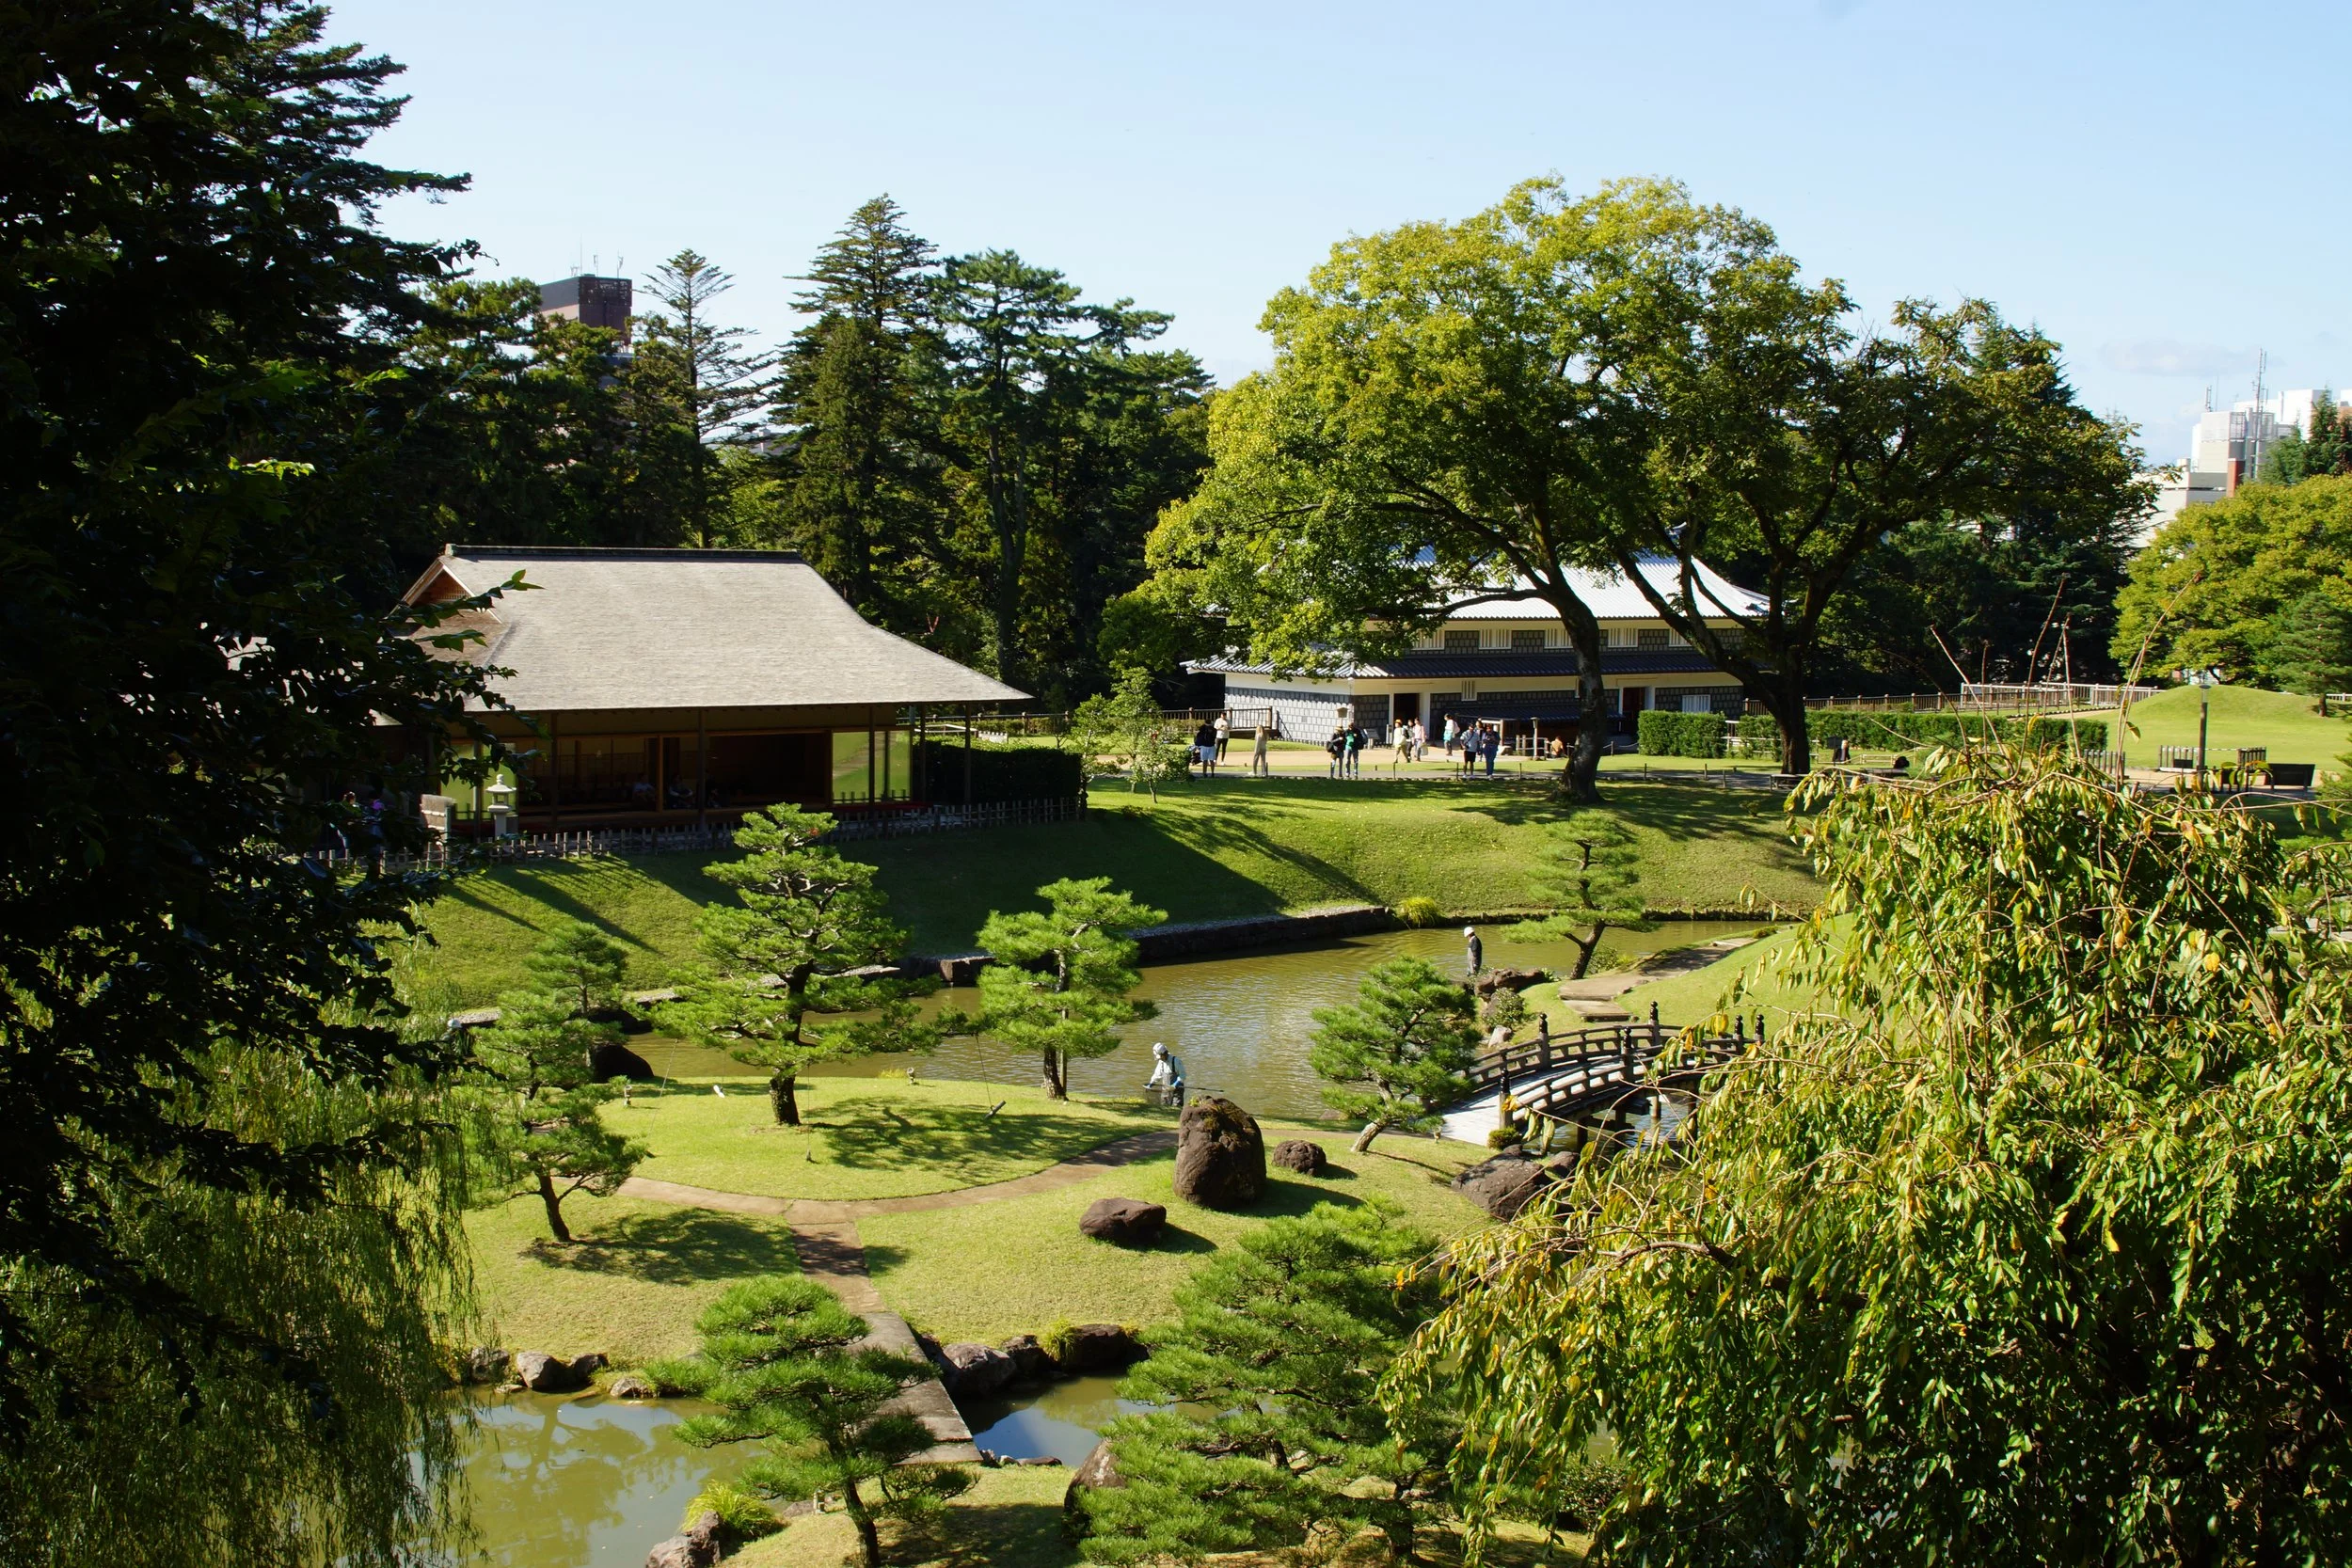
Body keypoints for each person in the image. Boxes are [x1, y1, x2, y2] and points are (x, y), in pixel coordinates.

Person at [1145, 1041, 1185, 1107]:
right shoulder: (1161, 1062)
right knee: (1164, 1107)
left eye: (1161, 1057)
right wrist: (1151, 1083)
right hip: (1165, 1091)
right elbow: (1157, 1074)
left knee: (1176, 1108)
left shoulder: (1176, 1061)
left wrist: (1175, 1084)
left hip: (1177, 1091)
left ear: (1164, 1053)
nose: (1160, 1059)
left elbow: (1182, 1075)